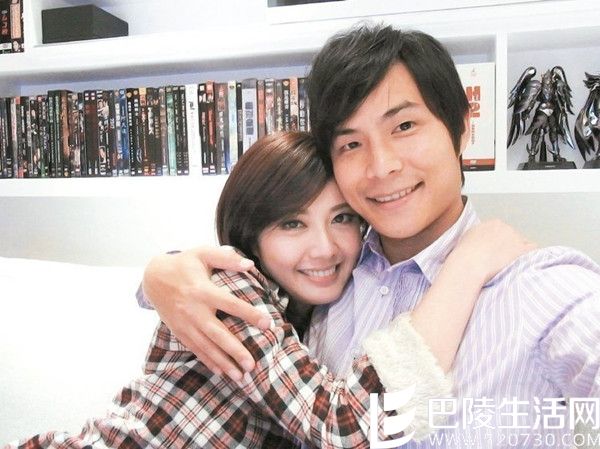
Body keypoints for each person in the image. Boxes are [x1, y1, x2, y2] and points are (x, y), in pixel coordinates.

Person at [141, 24, 600, 447]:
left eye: (404, 126)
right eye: (351, 144)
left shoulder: (540, 289)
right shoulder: (327, 281)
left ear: (463, 128)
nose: (382, 167)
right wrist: (160, 274)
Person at [5, 132, 531, 449]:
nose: (324, 248)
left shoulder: (318, 318)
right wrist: (471, 260)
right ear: (252, 234)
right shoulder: (234, 291)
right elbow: (346, 427)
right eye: (292, 224)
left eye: (342, 218)